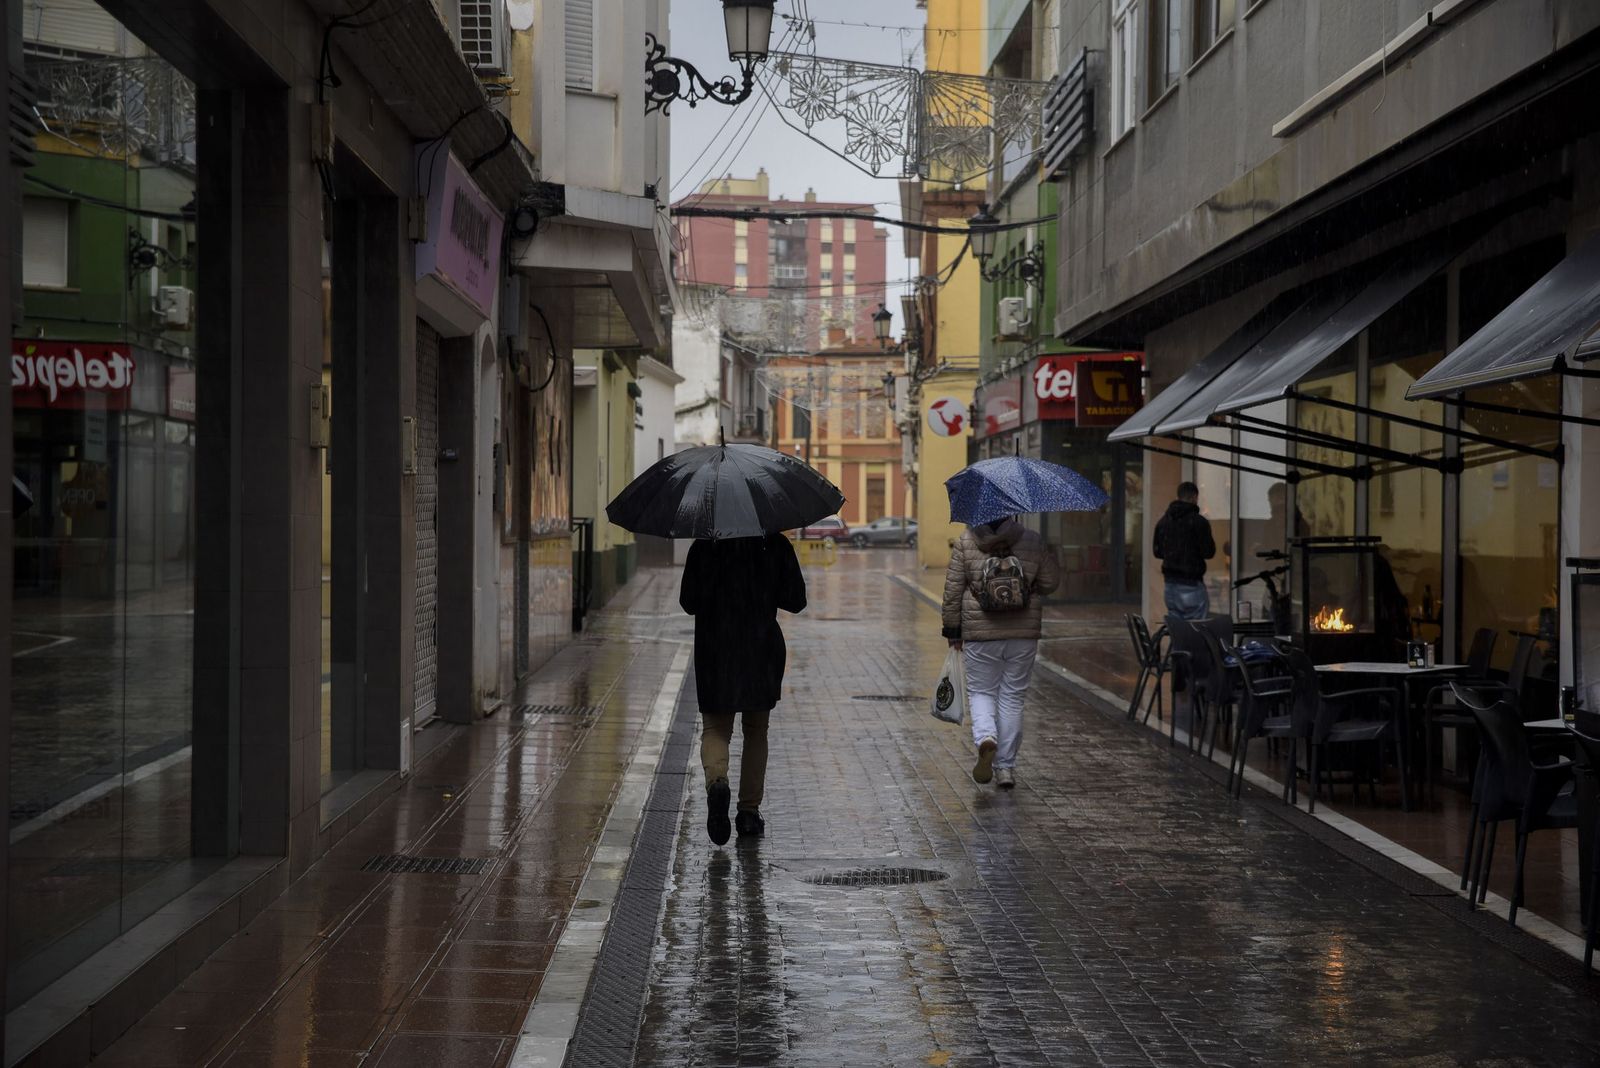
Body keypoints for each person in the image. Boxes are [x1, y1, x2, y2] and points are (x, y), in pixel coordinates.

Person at [679, 533, 807, 845]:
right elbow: (796, 600)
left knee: (715, 729)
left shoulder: (704, 546)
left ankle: (717, 783)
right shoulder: (773, 543)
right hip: (760, 651)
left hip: (715, 650)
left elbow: (688, 602)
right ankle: (749, 813)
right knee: (756, 730)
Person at [940, 516, 1062, 789]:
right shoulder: (1031, 539)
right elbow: (1050, 583)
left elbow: (953, 590)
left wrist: (952, 630)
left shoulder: (966, 540)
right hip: (1022, 633)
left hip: (980, 633)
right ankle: (1005, 768)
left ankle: (986, 737)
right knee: (1012, 697)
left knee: (982, 691)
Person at [1153, 481, 1216, 620]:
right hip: (1192, 583)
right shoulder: (1199, 522)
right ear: (1194, 497)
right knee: (1196, 630)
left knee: (1178, 632)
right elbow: (1209, 552)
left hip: (1169, 586)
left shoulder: (1163, 522)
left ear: (1178, 496)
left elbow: (1157, 552)